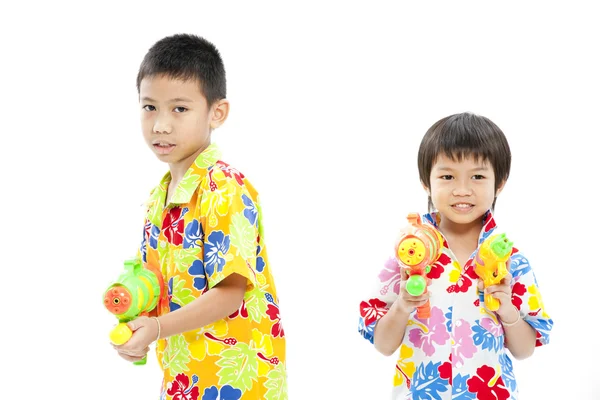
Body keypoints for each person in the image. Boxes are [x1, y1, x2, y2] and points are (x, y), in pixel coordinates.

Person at [111, 33, 287, 400]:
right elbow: (162, 287)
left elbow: (230, 293)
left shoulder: (223, 187)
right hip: (183, 376)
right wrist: (136, 318)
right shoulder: (160, 196)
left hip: (235, 384)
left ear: (216, 112)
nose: (161, 125)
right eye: (149, 107)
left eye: (179, 109)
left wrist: (156, 327)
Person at [357, 112, 553, 399]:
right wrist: (402, 305)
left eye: (478, 176)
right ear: (427, 181)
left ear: (500, 183)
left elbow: (524, 350)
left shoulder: (511, 260)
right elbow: (384, 345)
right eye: (447, 176)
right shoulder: (409, 253)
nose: (462, 190)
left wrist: (507, 309)